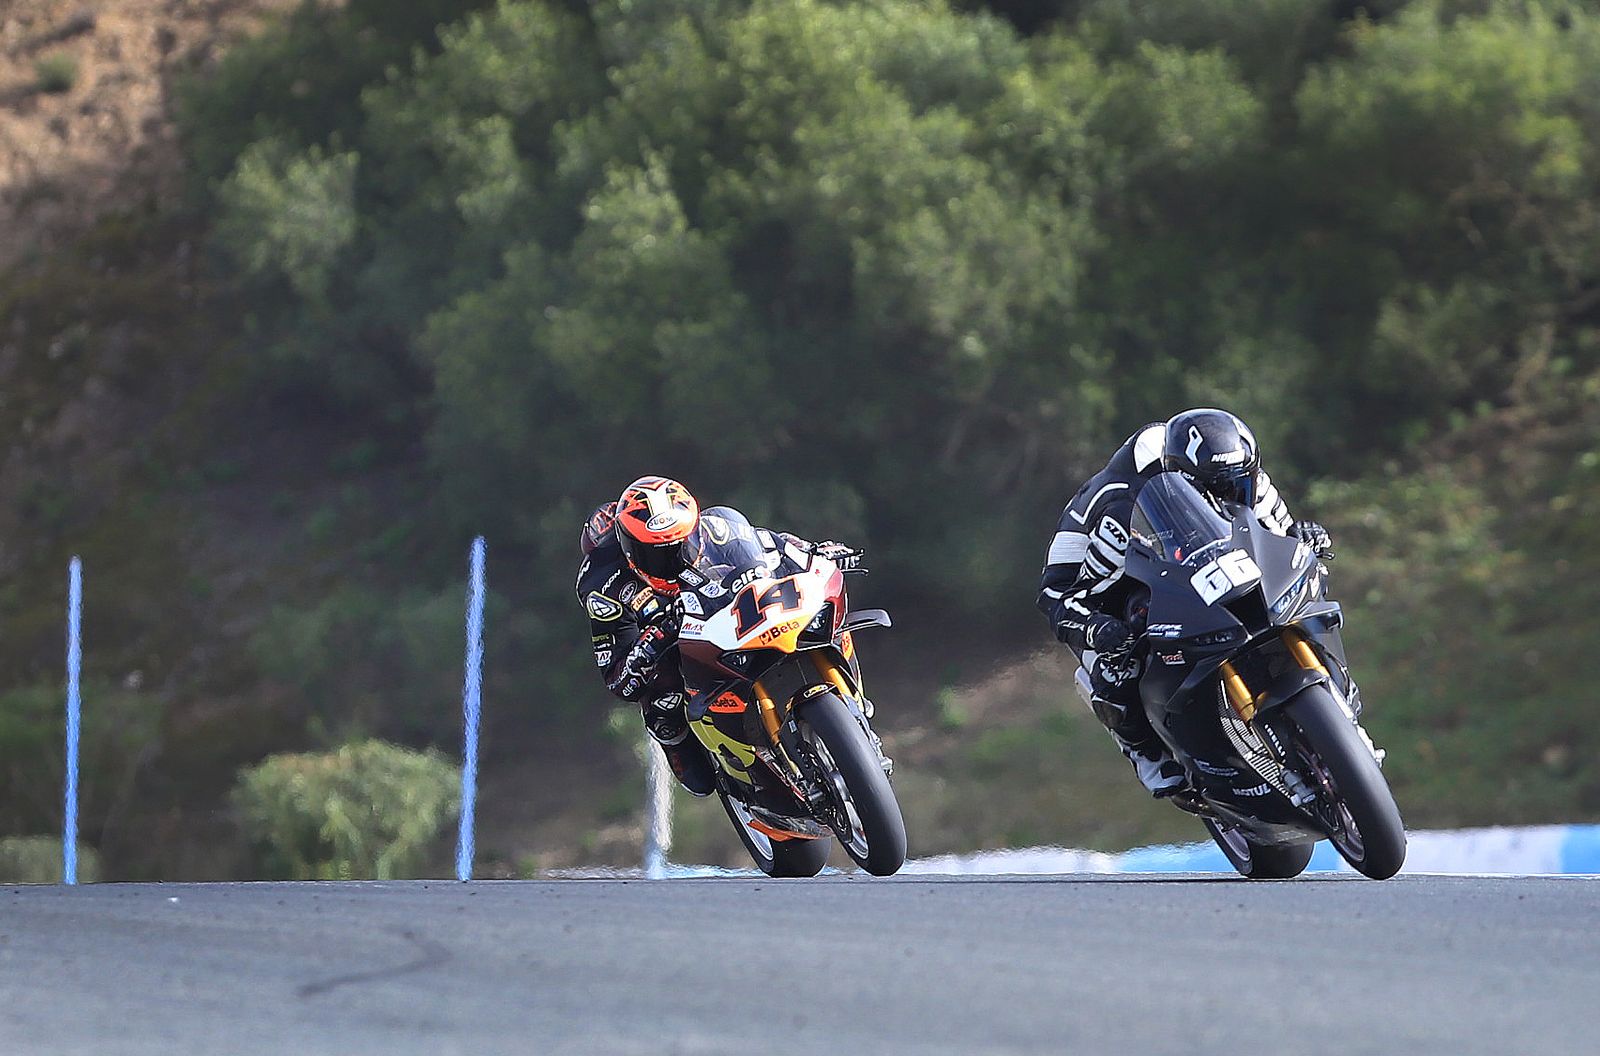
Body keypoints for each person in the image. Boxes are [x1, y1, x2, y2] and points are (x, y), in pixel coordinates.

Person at [1035, 409, 1334, 795]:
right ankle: (1144, 752)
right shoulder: (1112, 509)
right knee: (1115, 666)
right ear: (1188, 482)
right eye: (1221, 492)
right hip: (1118, 586)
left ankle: (1331, 689)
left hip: (1219, 560)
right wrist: (1097, 627)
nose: (1233, 496)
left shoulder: (1241, 471)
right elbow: (1054, 594)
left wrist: (1301, 537)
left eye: (1239, 485)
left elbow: (1278, 530)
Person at [576, 475, 862, 795]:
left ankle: (848, 697)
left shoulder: (715, 526)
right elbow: (617, 677)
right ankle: (682, 747)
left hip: (724, 612)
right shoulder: (604, 587)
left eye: (682, 542)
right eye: (657, 552)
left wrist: (812, 550)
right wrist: (647, 648)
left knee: (823, 614)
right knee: (662, 701)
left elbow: (768, 543)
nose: (673, 556)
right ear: (629, 548)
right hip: (663, 639)